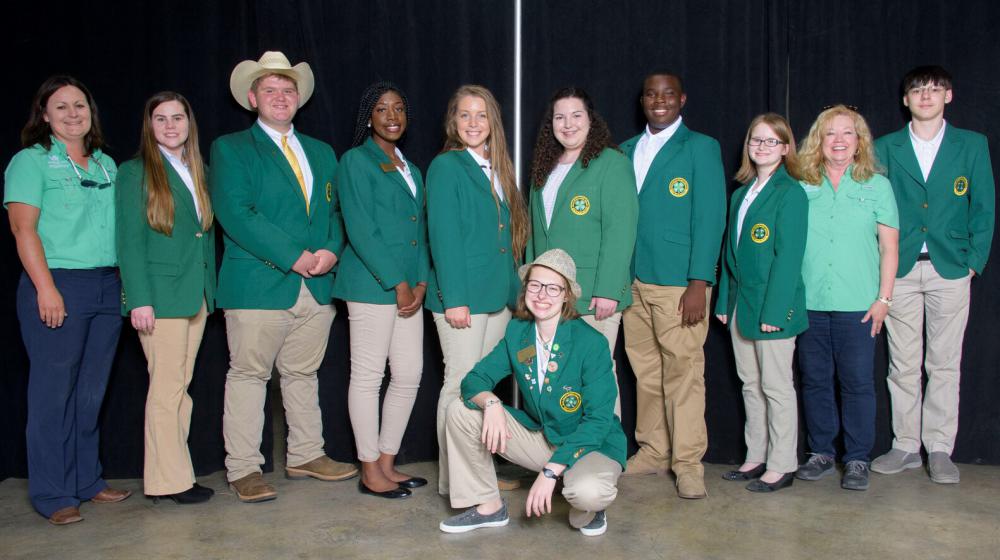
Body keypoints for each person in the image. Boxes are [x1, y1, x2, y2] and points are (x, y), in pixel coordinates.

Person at [210, 51, 357, 503]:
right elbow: (237, 213)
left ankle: (306, 453)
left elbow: (336, 210)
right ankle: (243, 468)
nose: (280, 97)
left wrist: (331, 250)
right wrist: (295, 255)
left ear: (299, 99)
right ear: (252, 97)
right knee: (249, 375)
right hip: (259, 282)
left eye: (287, 90)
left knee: (303, 373)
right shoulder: (230, 148)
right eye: (270, 90)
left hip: (316, 285)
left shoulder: (322, 151)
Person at [4, 75, 131, 524]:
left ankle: (87, 480)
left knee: (91, 392)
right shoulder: (30, 162)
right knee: (52, 394)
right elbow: (23, 230)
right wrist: (46, 288)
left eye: (80, 105)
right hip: (58, 283)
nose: (73, 113)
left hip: (106, 284)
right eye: (61, 107)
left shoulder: (106, 165)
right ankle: (53, 493)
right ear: (44, 115)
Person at [439, 249, 625, 536]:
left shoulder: (591, 343)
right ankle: (488, 505)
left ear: (567, 296)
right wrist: (491, 404)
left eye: (553, 288)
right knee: (460, 411)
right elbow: (474, 380)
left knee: (588, 492)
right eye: (535, 285)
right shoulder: (518, 333)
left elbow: (599, 421)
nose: (542, 295)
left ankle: (588, 502)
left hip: (590, 444)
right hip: (543, 436)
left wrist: (550, 472)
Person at [872, 66, 995, 484]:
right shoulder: (886, 146)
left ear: (948, 95)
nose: (926, 96)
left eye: (934, 89)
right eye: (917, 90)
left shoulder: (971, 145)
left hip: (950, 268)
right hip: (900, 270)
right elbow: (875, 205)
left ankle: (939, 448)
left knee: (944, 364)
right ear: (905, 100)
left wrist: (973, 261)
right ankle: (906, 445)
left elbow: (984, 207)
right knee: (902, 363)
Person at [619, 72, 726, 500]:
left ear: (681, 99)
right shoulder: (626, 150)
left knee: (683, 373)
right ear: (642, 99)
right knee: (645, 372)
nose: (658, 101)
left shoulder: (700, 147)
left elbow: (710, 215)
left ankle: (687, 463)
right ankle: (653, 450)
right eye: (650, 94)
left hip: (680, 283)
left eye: (667, 95)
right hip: (634, 281)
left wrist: (700, 280)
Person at [426, 84, 529, 496]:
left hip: (497, 297)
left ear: (493, 123)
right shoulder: (447, 167)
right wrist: (455, 299)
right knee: (459, 385)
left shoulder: (498, 167)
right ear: (453, 121)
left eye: (481, 115)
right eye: (465, 115)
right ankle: (456, 482)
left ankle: (477, 472)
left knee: (481, 388)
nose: (473, 123)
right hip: (463, 298)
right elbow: (444, 237)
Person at [115, 91, 216, 505]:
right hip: (160, 296)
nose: (171, 125)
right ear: (149, 125)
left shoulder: (199, 170)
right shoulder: (134, 172)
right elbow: (129, 241)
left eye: (178, 117)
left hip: (196, 294)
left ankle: (176, 474)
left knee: (180, 387)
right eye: (161, 118)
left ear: (189, 123)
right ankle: (167, 482)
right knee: (166, 389)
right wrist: (139, 299)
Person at [795, 104, 899, 491]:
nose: (838, 141)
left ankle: (857, 459)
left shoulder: (877, 185)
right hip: (811, 302)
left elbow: (890, 247)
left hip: (859, 304)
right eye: (830, 134)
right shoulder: (802, 183)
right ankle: (821, 451)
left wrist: (883, 299)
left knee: (857, 383)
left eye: (847, 133)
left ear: (859, 142)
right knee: (815, 381)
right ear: (819, 142)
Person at [333, 82, 427, 499]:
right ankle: (369, 468)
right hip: (373, 286)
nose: (392, 116)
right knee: (368, 378)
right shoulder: (356, 161)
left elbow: (421, 231)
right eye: (383, 109)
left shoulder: (412, 167)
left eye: (400, 108)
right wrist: (399, 283)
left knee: (408, 374)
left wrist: (422, 280)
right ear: (368, 117)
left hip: (410, 288)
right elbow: (361, 229)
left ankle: (388, 464)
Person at [526, 86, 638, 411]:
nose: (568, 123)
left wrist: (609, 290)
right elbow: (536, 235)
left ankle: (605, 456)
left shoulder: (610, 163)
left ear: (591, 120)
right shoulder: (544, 167)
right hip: (550, 296)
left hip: (592, 294)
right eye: (560, 117)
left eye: (577, 115)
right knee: (559, 377)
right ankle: (568, 455)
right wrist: (530, 288)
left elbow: (621, 230)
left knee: (596, 376)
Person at [715, 113, 808, 493]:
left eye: (772, 141)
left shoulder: (791, 194)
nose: (762, 147)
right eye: (757, 140)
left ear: (786, 149)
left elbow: (789, 259)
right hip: (741, 305)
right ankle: (757, 455)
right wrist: (723, 301)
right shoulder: (742, 193)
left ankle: (783, 463)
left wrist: (775, 313)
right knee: (749, 384)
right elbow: (729, 255)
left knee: (776, 386)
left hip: (773, 309)